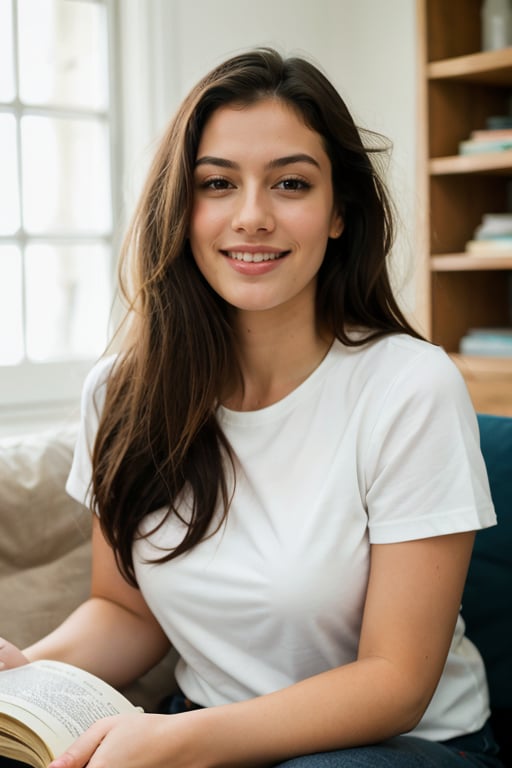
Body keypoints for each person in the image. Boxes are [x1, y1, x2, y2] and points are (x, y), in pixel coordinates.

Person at [0, 48, 503, 768]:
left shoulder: (410, 386)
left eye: (291, 183)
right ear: (182, 206)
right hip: (209, 734)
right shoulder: (119, 395)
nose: (252, 217)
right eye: (217, 184)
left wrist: (183, 740)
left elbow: (398, 682)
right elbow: (127, 612)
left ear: (338, 214)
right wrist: (28, 676)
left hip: (398, 746)